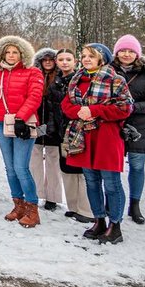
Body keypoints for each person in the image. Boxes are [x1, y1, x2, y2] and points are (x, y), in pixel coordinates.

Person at [62, 43, 133, 244]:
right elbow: (66, 105)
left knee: (111, 183)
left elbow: (125, 108)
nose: (86, 59)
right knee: (91, 182)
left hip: (107, 138)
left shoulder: (115, 79)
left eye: (90, 56)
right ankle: (99, 220)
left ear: (101, 58)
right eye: (83, 55)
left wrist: (94, 111)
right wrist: (80, 112)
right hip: (83, 137)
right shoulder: (77, 79)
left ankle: (115, 225)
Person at [0, 35, 44, 228]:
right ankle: (18, 205)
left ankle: (32, 208)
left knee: (21, 167)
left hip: (23, 123)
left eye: (15, 52)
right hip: (1, 124)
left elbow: (35, 96)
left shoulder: (33, 72)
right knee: (10, 168)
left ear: (22, 53)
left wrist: (21, 117)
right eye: (7, 52)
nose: (11, 55)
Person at [111, 35, 145, 225]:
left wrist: (134, 107)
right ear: (117, 53)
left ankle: (135, 204)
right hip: (113, 123)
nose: (127, 54)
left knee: (137, 166)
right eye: (123, 50)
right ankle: (112, 201)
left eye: (131, 51)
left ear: (137, 54)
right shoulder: (108, 71)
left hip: (139, 126)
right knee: (112, 165)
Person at [49, 48, 93, 222]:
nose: (65, 62)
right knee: (66, 168)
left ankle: (86, 209)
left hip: (79, 129)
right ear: (57, 62)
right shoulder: (55, 82)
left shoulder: (82, 80)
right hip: (61, 131)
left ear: (75, 61)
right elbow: (53, 108)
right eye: (61, 59)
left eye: (68, 59)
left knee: (81, 171)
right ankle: (73, 206)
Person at [30, 48, 64, 211]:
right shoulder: (34, 76)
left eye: (51, 59)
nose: (48, 62)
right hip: (36, 123)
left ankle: (52, 197)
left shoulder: (61, 79)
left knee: (53, 162)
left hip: (55, 126)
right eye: (45, 60)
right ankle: (35, 193)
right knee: (34, 162)